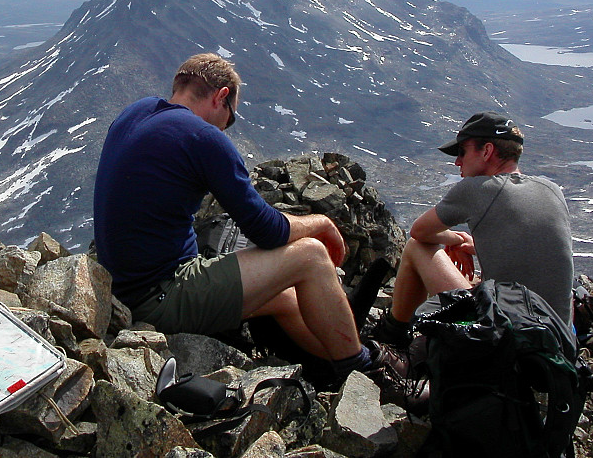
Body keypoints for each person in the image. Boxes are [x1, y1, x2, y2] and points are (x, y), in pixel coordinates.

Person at [93, 52, 406, 389]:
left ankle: (344, 370)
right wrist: (321, 222)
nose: (226, 127)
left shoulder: (135, 113)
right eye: (230, 118)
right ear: (221, 97)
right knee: (312, 256)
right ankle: (372, 373)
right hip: (160, 295)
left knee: (285, 297)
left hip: (123, 286)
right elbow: (267, 230)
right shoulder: (202, 137)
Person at [372, 111, 574, 349]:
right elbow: (533, 248)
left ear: (487, 151)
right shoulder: (551, 189)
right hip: (559, 340)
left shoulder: (477, 188)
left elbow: (420, 232)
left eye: (462, 152)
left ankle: (392, 337)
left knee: (416, 248)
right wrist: (477, 246)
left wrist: (454, 240)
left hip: (506, 339)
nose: (458, 161)